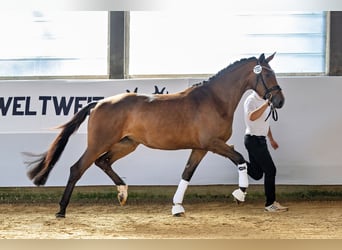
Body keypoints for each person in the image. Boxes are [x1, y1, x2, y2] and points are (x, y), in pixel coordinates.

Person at [234, 90, 288, 212]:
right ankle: (270, 204)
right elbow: (251, 117)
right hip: (253, 140)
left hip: (260, 140)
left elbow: (265, 122)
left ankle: (237, 159)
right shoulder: (251, 100)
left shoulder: (264, 100)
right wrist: (266, 105)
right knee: (271, 170)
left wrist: (271, 139)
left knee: (257, 174)